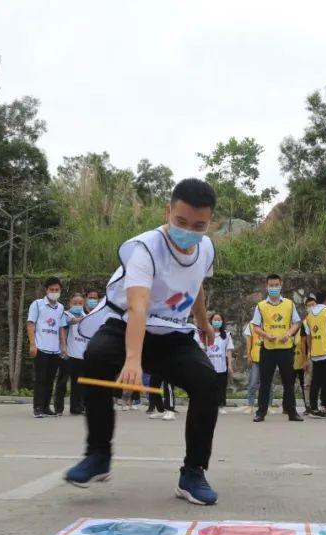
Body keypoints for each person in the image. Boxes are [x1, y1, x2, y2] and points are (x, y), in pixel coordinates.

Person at [64, 178, 221, 506]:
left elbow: (197, 286)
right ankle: (98, 455)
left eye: (199, 225)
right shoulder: (145, 248)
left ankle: (193, 473)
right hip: (125, 327)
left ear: (209, 223)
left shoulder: (205, 248)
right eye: (181, 222)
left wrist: (203, 323)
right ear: (168, 212)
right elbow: (137, 305)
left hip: (173, 335)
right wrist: (132, 359)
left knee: (207, 381)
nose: (188, 231)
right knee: (96, 357)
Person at [252, 274, 303, 422]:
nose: (273, 288)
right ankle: (261, 412)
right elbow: (255, 326)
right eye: (271, 285)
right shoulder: (261, 306)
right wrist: (266, 335)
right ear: (266, 287)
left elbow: (297, 322)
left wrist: (288, 333)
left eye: (276, 285)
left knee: (288, 382)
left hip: (286, 349)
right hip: (268, 349)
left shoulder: (289, 304)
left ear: (281, 285)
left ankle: (292, 412)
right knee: (265, 382)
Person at [27, 277, 69, 418]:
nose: (54, 292)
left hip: (54, 350)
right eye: (51, 289)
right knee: (40, 379)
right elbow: (31, 324)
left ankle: (46, 407)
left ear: (60, 291)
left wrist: (63, 346)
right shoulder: (37, 305)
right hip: (41, 348)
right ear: (46, 290)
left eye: (57, 290)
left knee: (50, 379)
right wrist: (33, 344)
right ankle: (37, 407)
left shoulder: (61, 307)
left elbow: (61, 328)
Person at [302, 291, 326, 417]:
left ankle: (313, 407)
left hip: (316, 352)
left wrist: (311, 351)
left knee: (316, 381)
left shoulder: (310, 314)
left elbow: (308, 336)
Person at [201, 312, 234, 415]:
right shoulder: (206, 334)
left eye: (219, 320)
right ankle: (208, 405)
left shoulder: (227, 335)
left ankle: (221, 405)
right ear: (211, 321)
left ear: (222, 322)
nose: (217, 322)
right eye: (215, 320)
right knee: (208, 387)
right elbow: (203, 349)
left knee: (221, 387)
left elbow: (228, 351)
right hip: (209, 365)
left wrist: (230, 365)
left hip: (221, 365)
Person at [65, 293, 89, 415]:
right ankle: (73, 408)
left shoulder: (86, 316)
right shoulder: (66, 314)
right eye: (75, 303)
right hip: (71, 354)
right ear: (70, 303)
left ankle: (81, 407)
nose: (78, 305)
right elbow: (69, 322)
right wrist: (80, 320)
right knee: (73, 382)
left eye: (80, 303)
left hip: (83, 355)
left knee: (82, 383)